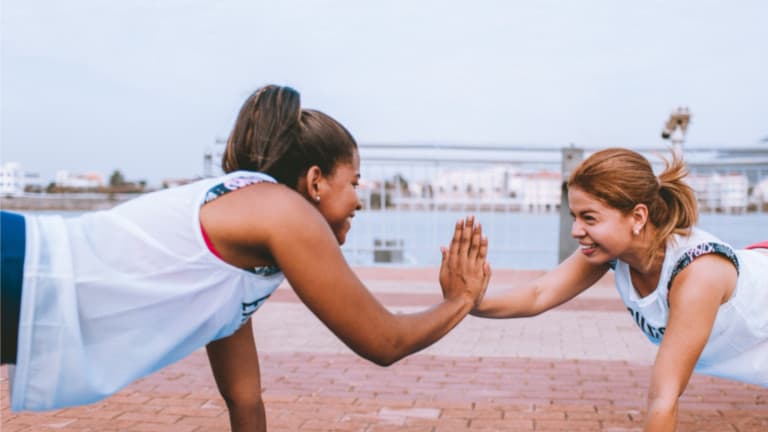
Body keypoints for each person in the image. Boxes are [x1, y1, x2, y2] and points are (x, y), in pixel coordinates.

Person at [0, 84, 491, 431]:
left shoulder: (243, 256)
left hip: (22, 282)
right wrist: (461, 299)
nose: (360, 200)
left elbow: (244, 398)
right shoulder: (281, 211)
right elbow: (384, 342)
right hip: (22, 267)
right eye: (354, 182)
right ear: (317, 181)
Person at [470, 147, 767, 432]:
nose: (575, 231)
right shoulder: (611, 252)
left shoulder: (696, 274)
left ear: (638, 217)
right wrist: (470, 302)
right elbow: (539, 294)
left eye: (589, 218)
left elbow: (663, 399)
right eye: (574, 217)